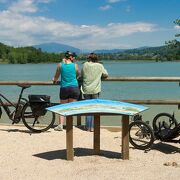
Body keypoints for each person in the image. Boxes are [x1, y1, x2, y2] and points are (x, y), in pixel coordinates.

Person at [53, 51, 80, 131]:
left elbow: (56, 76)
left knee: (62, 107)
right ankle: (70, 125)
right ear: (71, 57)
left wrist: (54, 80)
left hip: (64, 88)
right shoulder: (75, 65)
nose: (75, 58)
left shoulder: (60, 65)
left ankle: (60, 125)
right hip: (74, 87)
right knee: (71, 107)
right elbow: (78, 74)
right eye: (74, 57)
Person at [81, 53, 108, 131]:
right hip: (95, 89)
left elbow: (82, 75)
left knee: (88, 108)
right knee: (94, 108)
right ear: (96, 59)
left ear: (89, 59)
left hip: (86, 89)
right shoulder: (100, 66)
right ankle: (93, 127)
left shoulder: (85, 65)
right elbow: (106, 74)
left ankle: (88, 127)